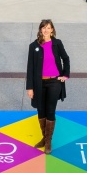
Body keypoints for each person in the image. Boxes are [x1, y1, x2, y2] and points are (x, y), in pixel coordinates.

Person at [26, 19, 70, 154]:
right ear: (40, 30)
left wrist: (65, 75)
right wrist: (30, 87)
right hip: (39, 83)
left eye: (48, 28)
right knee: (41, 111)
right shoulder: (34, 46)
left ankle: (48, 142)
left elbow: (66, 58)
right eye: (43, 28)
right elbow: (30, 68)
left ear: (52, 30)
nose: (46, 30)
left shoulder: (57, 43)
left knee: (50, 110)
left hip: (54, 83)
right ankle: (44, 139)